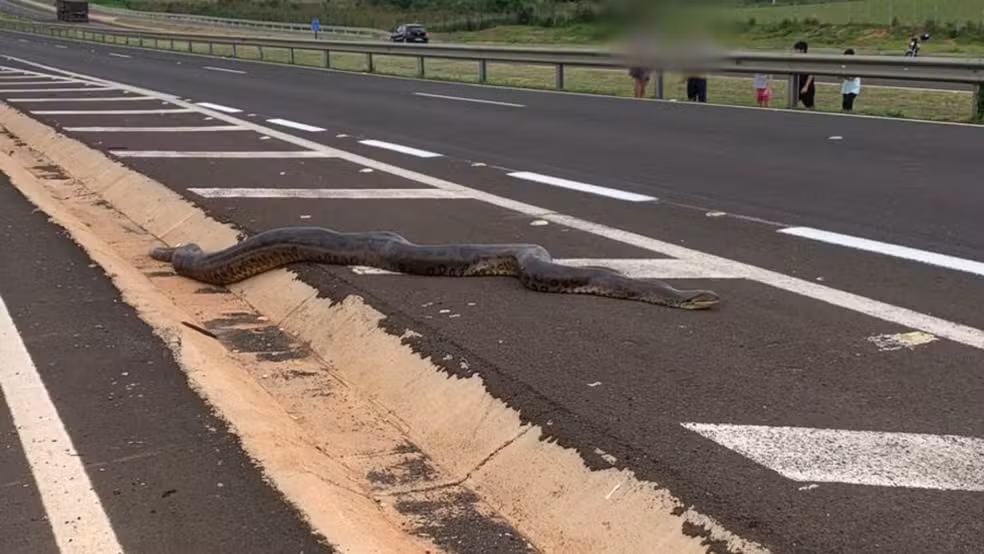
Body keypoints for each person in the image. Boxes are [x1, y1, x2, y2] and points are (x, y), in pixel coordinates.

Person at [792, 41, 815, 110]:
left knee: (810, 106)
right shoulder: (795, 59)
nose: (795, 51)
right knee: (793, 104)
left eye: (796, 50)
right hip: (797, 86)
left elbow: (811, 74)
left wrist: (806, 87)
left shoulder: (808, 59)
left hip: (807, 86)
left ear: (802, 50)